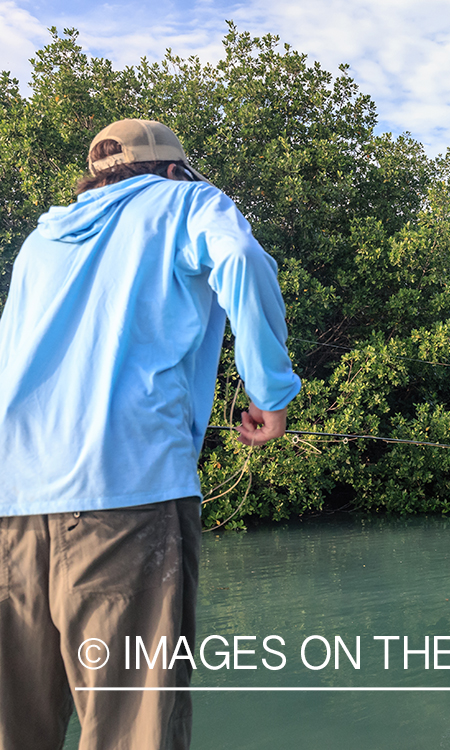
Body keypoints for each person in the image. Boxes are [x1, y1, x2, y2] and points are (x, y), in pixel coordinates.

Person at [0, 119, 300, 749]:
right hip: (126, 496)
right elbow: (241, 258)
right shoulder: (188, 201)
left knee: (12, 729)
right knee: (132, 729)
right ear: (170, 170)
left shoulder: (40, 239)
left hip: (9, 507)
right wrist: (269, 393)